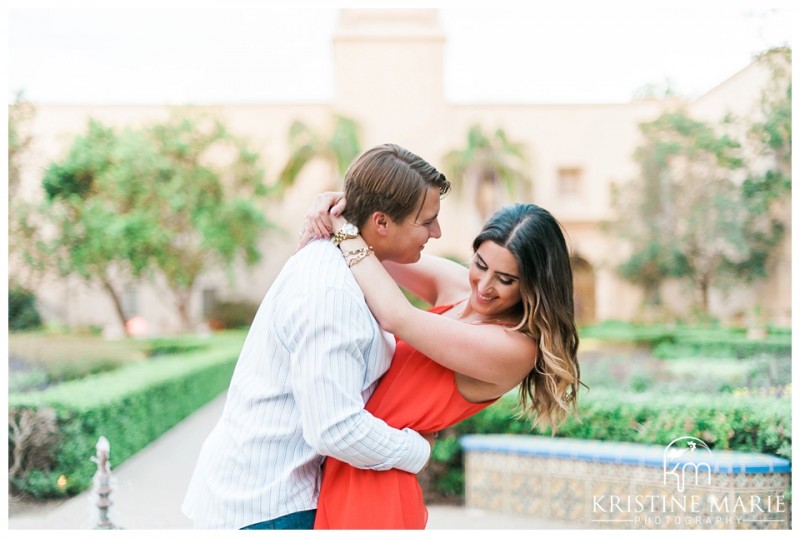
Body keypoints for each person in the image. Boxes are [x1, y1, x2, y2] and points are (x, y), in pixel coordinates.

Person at [181, 143, 451, 529]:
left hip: (271, 498)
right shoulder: (332, 292)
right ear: (381, 223)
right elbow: (335, 428)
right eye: (427, 221)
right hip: (267, 507)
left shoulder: (348, 261)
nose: (437, 232)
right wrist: (418, 449)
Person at [300, 195, 582, 529]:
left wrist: (343, 230)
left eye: (506, 280)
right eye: (480, 263)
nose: (484, 286)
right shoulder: (460, 287)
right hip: (343, 463)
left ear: (535, 286)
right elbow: (380, 249)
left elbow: (396, 317)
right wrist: (334, 205)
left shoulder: (514, 348)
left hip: (377, 488)